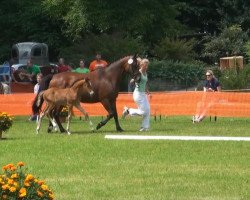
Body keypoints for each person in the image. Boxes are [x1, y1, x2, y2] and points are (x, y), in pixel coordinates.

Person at [122, 58, 151, 131]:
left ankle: (145, 127)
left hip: (143, 94)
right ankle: (128, 110)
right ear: (142, 65)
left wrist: (147, 91)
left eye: (147, 66)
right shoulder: (139, 73)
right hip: (138, 95)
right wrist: (133, 80)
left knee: (147, 110)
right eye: (145, 65)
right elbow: (133, 80)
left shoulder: (145, 73)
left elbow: (145, 83)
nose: (146, 67)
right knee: (143, 112)